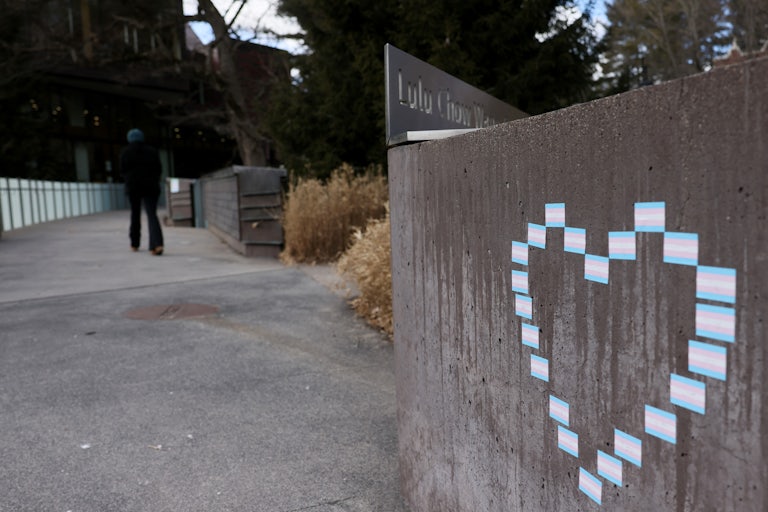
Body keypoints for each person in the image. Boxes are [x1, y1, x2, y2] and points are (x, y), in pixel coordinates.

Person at [120, 128, 164, 255]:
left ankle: (135, 243)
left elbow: (122, 171)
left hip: (133, 187)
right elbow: (158, 169)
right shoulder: (152, 151)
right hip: (151, 186)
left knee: (135, 214)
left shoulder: (126, 152)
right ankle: (157, 244)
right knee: (152, 214)